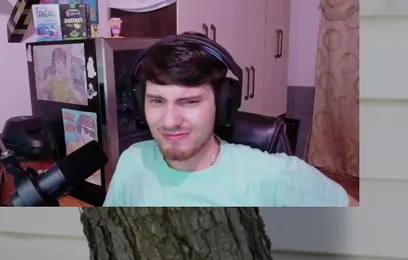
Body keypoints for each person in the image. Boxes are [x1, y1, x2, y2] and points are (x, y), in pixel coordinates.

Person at [103, 32, 354, 207]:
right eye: (157, 101)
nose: (170, 121)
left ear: (223, 104)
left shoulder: (276, 177)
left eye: (189, 101)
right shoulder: (132, 162)